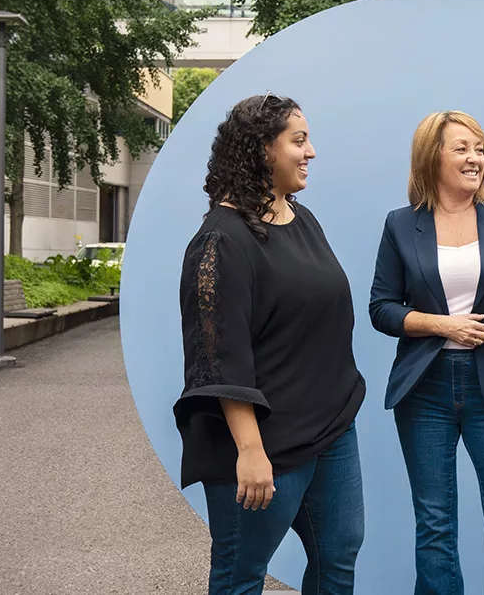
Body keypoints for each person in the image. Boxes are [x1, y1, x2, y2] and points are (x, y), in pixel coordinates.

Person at [174, 94, 366, 595]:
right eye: (298, 141)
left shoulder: (302, 220)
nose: (312, 153)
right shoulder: (221, 241)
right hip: (262, 444)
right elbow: (217, 359)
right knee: (241, 574)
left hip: (331, 428)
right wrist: (251, 451)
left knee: (338, 558)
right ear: (263, 150)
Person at [369, 110, 484, 594]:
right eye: (462, 148)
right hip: (423, 390)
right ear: (432, 156)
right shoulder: (400, 225)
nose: (476, 158)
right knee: (434, 527)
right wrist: (438, 324)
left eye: (481, 149)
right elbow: (381, 309)